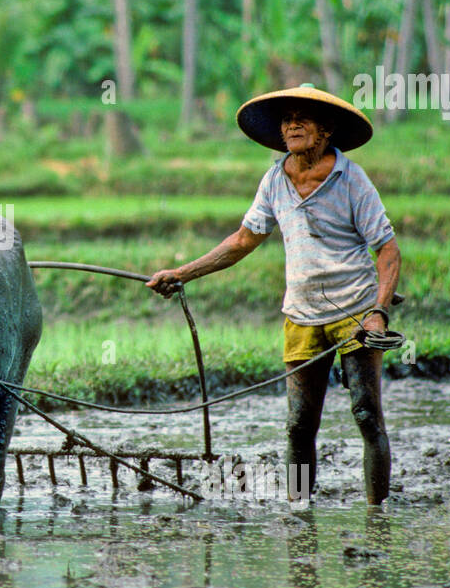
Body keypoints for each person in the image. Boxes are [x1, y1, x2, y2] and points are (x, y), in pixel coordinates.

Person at [147, 85, 401, 505]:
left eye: (303, 117)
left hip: (355, 310)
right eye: (287, 119)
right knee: (299, 424)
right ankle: (299, 512)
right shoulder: (274, 180)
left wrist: (379, 312)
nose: (292, 125)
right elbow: (244, 240)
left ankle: (378, 515)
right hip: (301, 314)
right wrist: (182, 273)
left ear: (326, 130)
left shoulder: (350, 178)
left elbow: (387, 249)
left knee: (366, 416)